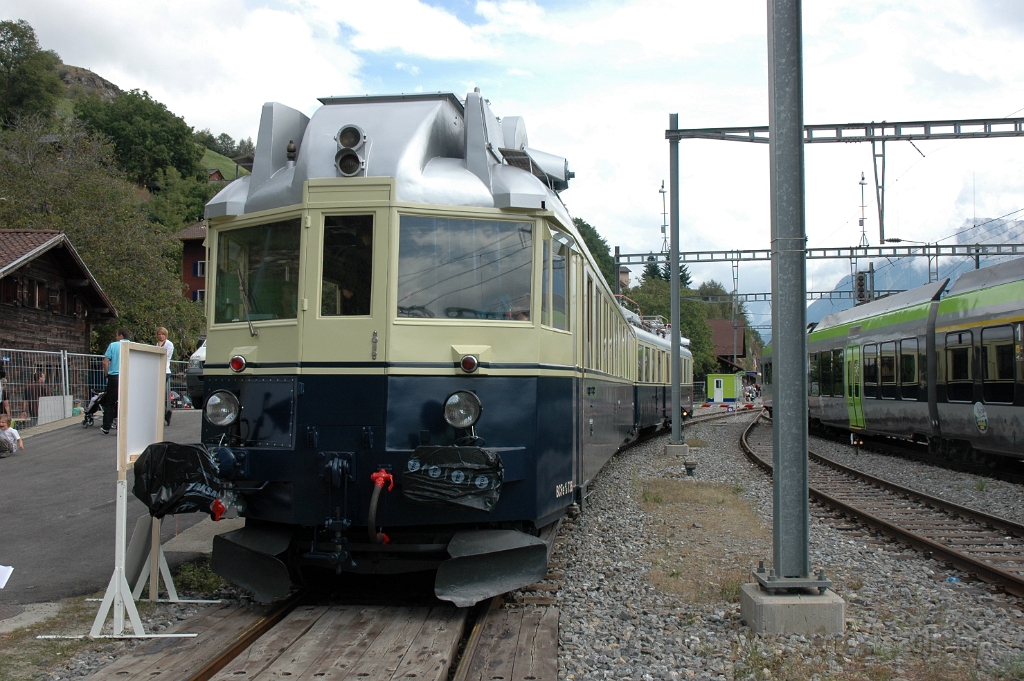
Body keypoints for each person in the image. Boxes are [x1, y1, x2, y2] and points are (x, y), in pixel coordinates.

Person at [100, 327, 131, 434]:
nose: (116, 337)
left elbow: (105, 362)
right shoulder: (133, 346)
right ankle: (124, 426)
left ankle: (106, 426)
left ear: (121, 336)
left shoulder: (113, 345)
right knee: (126, 401)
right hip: (127, 376)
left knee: (110, 402)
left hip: (114, 377)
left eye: (117, 335)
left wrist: (106, 373)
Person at [156, 327, 175, 426]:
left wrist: (159, 347)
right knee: (157, 394)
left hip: (165, 371)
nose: (160, 336)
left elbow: (164, 356)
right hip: (158, 370)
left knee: (159, 394)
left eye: (162, 334)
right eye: (159, 334)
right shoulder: (157, 344)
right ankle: (165, 413)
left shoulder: (169, 344)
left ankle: (165, 413)